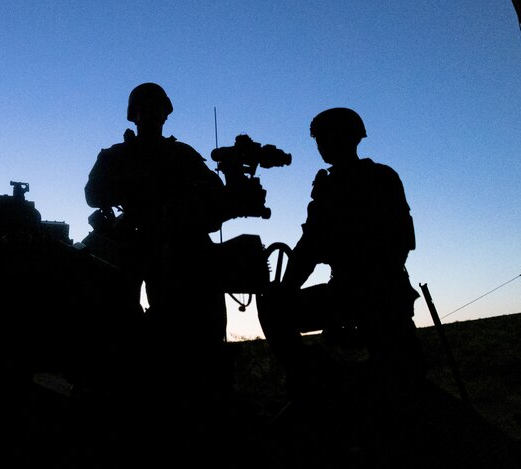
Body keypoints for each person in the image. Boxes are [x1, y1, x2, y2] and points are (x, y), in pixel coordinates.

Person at [258, 107, 423, 429]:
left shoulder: (339, 186)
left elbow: (312, 246)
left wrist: (287, 288)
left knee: (274, 309)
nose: (320, 145)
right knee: (402, 378)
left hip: (366, 292)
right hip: (378, 290)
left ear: (346, 138)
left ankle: (316, 383)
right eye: (318, 139)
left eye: (324, 138)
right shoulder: (381, 177)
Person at [83, 82, 232, 422]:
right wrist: (140, 186)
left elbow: (214, 193)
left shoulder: (182, 155)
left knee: (192, 323)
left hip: (178, 245)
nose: (151, 114)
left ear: (166, 113)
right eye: (144, 108)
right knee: (115, 315)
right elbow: (93, 194)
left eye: (157, 108)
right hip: (128, 243)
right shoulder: (115, 156)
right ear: (133, 115)